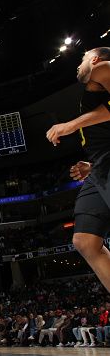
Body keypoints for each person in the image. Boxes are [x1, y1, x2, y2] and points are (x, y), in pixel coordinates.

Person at [46, 47, 110, 292]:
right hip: (100, 168)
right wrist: (92, 166)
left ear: (94, 59)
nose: (78, 64)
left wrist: (71, 125)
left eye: (83, 58)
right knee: (85, 241)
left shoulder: (102, 68)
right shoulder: (94, 89)